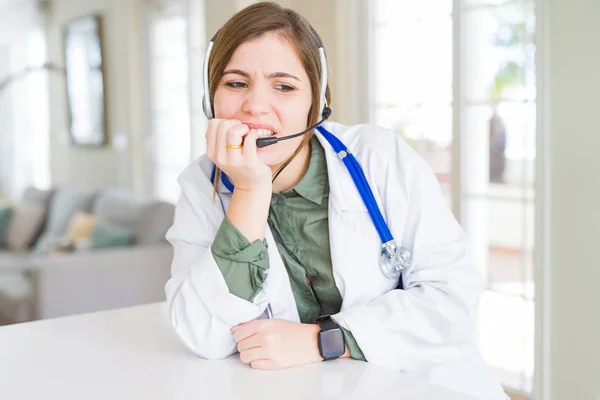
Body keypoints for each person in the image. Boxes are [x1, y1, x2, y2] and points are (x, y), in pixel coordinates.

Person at [165, 2, 507, 399]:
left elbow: (451, 303)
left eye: (284, 86)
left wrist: (324, 340)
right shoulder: (200, 184)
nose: (255, 105)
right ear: (212, 100)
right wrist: (248, 191)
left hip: (424, 385)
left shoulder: (381, 158)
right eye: (236, 83)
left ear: (317, 102)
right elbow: (201, 333)